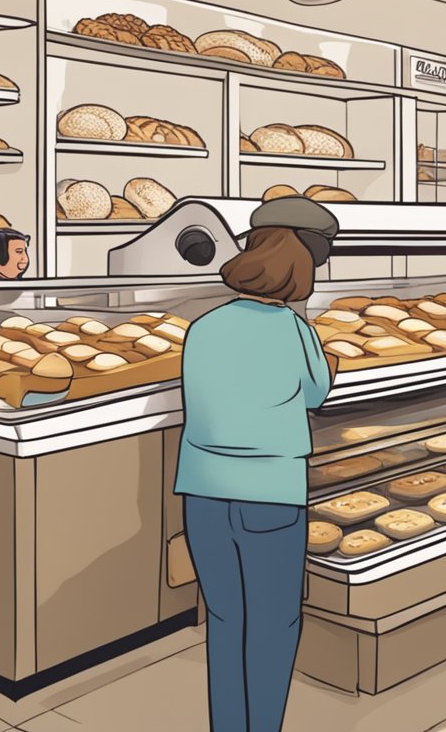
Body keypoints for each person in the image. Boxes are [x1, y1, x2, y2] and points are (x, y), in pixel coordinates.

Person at [175, 196, 339, 732]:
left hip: (202, 493)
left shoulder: (203, 327)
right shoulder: (294, 331)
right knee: (273, 626)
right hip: (270, 494)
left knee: (225, 621)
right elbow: (315, 393)